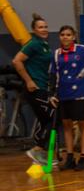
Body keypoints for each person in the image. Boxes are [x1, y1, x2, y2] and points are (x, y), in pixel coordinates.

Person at [51, 25, 84, 170]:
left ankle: (83, 158)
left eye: (68, 35)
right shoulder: (56, 53)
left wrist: (83, 72)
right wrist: (52, 94)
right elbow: (53, 74)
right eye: (62, 35)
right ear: (59, 37)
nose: (65, 37)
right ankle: (69, 158)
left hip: (78, 94)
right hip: (63, 94)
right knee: (67, 126)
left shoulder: (81, 50)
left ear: (73, 37)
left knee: (82, 125)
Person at [11, 13, 56, 165]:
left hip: (44, 87)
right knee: (52, 115)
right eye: (40, 27)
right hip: (35, 89)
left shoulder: (44, 45)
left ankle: (40, 154)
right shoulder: (34, 44)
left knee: (46, 118)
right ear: (34, 30)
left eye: (46, 27)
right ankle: (37, 149)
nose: (44, 29)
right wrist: (29, 81)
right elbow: (17, 61)